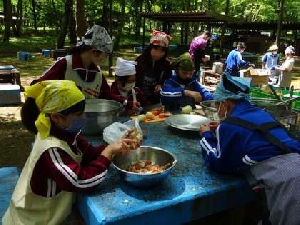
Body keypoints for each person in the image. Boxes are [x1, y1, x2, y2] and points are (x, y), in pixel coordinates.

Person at [2, 80, 138, 225]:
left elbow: (89, 153)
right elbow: (81, 182)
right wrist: (108, 153)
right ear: (56, 117)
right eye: (79, 114)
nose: (84, 118)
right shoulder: (51, 149)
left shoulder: (67, 134)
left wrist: (115, 146)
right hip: (35, 220)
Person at [199, 73, 300, 225]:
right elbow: (256, 137)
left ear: (225, 104)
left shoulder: (228, 125)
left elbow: (218, 163)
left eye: (217, 104)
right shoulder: (262, 113)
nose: (217, 109)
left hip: (287, 184)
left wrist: (206, 134)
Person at [31, 25, 113, 99]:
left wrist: (124, 102)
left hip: (88, 115)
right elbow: (38, 86)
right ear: (95, 52)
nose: (106, 58)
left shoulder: (97, 73)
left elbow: (106, 95)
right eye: (106, 54)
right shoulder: (66, 64)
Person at [135, 30, 172, 106]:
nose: (158, 54)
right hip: (138, 98)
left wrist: (161, 85)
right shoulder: (140, 60)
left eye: (162, 51)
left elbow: (168, 80)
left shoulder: (166, 64)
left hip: (155, 100)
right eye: (155, 49)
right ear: (150, 48)